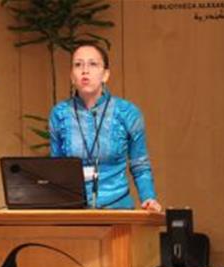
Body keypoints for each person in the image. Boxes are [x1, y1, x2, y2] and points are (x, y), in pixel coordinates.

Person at [49, 44, 162, 212]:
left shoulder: (127, 112)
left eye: (93, 64)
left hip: (117, 207)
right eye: (78, 65)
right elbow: (55, 168)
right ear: (72, 76)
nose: (85, 71)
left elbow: (140, 165)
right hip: (73, 209)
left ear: (105, 75)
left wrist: (148, 198)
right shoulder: (59, 113)